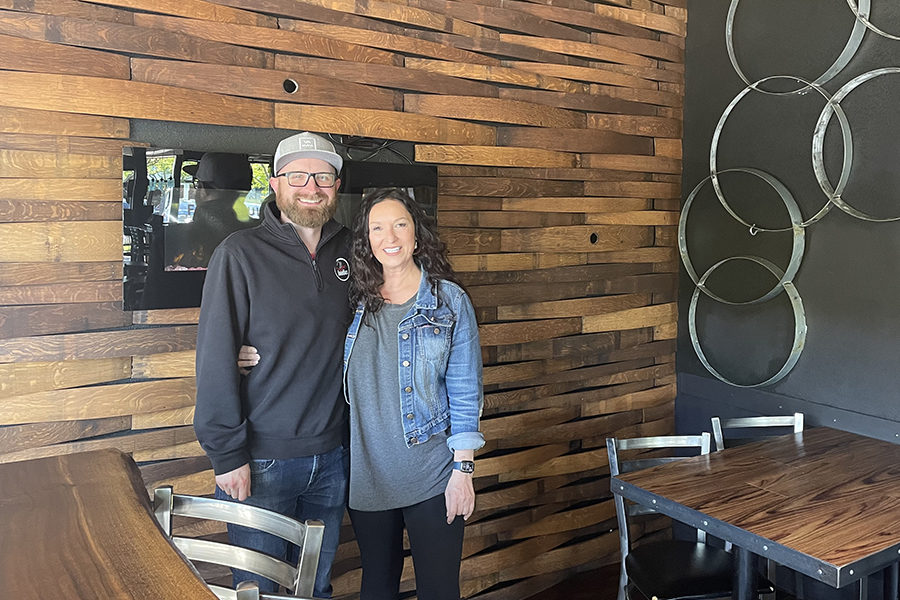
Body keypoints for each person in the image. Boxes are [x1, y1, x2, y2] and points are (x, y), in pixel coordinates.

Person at [239, 188, 485, 600]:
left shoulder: (448, 301)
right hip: (366, 476)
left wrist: (464, 472)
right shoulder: (351, 298)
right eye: (377, 228)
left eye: (400, 224)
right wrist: (238, 350)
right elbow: (300, 326)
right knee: (378, 587)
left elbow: (465, 390)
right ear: (366, 241)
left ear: (417, 234)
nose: (390, 236)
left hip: (434, 475)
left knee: (440, 590)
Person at [193, 132, 352, 597]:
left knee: (315, 590)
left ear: (337, 184)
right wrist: (227, 455)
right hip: (260, 461)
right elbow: (216, 356)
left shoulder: (354, 252)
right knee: (260, 593)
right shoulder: (238, 254)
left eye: (322, 176)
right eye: (298, 175)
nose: (311, 187)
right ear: (275, 183)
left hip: (333, 458)